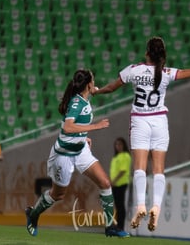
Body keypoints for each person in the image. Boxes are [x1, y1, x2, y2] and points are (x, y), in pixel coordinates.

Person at [93, 37, 190, 231]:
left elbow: (111, 87)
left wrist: (97, 91)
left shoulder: (134, 70)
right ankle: (156, 207)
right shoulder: (166, 72)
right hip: (160, 121)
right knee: (159, 169)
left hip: (140, 121)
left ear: (147, 53)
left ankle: (141, 206)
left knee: (139, 168)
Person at [25, 69, 130, 238]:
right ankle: (33, 214)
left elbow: (76, 126)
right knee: (58, 194)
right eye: (93, 81)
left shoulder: (85, 100)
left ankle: (110, 226)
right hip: (63, 155)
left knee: (105, 183)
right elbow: (68, 127)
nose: (95, 83)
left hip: (80, 150)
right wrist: (95, 127)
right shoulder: (77, 103)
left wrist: (84, 137)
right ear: (89, 84)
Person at [110, 137, 132, 231]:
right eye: (116, 144)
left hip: (121, 183)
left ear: (124, 145)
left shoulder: (125, 156)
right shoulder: (116, 157)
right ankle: (118, 224)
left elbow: (123, 170)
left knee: (120, 205)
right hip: (115, 184)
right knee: (117, 205)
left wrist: (114, 181)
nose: (118, 146)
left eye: (120, 144)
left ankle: (121, 226)